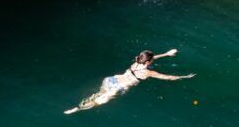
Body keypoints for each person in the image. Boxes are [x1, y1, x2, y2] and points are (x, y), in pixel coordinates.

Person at [64, 49, 195, 114]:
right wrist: (184, 77)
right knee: (97, 102)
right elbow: (167, 77)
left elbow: (151, 58)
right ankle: (77, 109)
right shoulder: (147, 72)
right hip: (118, 87)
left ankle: (78, 107)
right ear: (148, 62)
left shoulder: (137, 61)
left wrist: (166, 54)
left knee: (98, 94)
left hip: (111, 79)